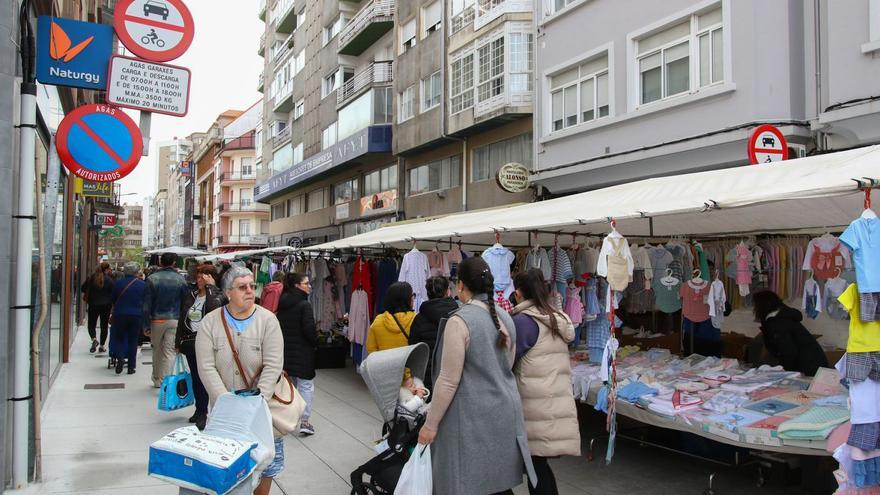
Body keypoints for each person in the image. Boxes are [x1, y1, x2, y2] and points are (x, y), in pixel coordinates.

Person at [418, 257, 535, 495]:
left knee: (468, 482)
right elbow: (507, 364)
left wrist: (430, 425)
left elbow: (449, 380)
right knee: (497, 483)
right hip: (504, 411)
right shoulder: (505, 317)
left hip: (471, 417)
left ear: (460, 285)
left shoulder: (459, 321)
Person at [196, 266, 284, 495]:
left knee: (265, 469)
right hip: (223, 414)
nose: (250, 291)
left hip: (262, 414)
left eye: (252, 286)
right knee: (227, 472)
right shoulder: (209, 322)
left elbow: (273, 364)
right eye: (242, 287)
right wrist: (226, 401)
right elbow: (205, 366)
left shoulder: (268, 321)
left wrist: (257, 401)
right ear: (227, 292)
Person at [511, 269, 580, 495]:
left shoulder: (524, 322)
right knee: (538, 465)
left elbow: (507, 361)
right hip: (551, 402)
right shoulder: (555, 318)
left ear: (519, 292)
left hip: (534, 405)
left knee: (535, 467)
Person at [175, 263, 226, 430]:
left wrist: (211, 288)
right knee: (196, 379)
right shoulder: (191, 294)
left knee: (204, 379)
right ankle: (199, 410)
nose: (199, 280)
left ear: (211, 278)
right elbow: (183, 317)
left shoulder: (218, 295)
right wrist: (178, 341)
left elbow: (213, 310)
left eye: (203, 277)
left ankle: (204, 413)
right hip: (190, 342)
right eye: (197, 276)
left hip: (207, 343)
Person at [276, 272, 318, 436]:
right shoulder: (304, 305)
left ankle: (290, 418)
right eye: (306, 283)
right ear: (297, 285)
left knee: (291, 386)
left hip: (287, 350)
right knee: (306, 385)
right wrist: (315, 342)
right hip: (303, 351)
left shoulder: (283, 302)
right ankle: (305, 421)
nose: (309, 286)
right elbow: (309, 329)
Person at [752, 290, 828, 376]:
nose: (754, 309)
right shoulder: (782, 317)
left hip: (808, 369)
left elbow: (788, 352)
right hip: (814, 366)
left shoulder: (777, 324)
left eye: (755, 306)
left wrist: (786, 373)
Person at [144, 252, 188, 388]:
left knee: (157, 349)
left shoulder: (152, 279)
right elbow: (185, 302)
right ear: (174, 263)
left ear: (160, 262)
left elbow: (146, 304)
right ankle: (165, 381)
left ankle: (156, 377)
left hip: (157, 319)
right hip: (175, 319)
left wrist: (145, 325)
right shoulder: (181, 279)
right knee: (169, 351)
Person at [408, 276, 458, 390]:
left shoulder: (419, 319)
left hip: (426, 375)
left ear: (428, 293)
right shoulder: (458, 315)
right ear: (447, 291)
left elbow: (413, 348)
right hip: (451, 373)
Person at [110, 262, 147, 375]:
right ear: (136, 272)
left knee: (119, 338)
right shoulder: (142, 285)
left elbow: (112, 299)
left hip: (120, 314)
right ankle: (131, 366)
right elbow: (146, 301)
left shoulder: (118, 284)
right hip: (136, 315)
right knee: (133, 340)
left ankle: (120, 356)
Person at [367, 282, 417, 354]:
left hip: (383, 364)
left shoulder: (378, 321)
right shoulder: (416, 320)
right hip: (407, 364)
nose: (413, 299)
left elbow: (371, 350)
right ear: (407, 299)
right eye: (412, 296)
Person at [82, 262, 115, 353]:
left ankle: (94, 339)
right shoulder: (109, 280)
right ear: (106, 269)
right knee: (104, 326)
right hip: (106, 306)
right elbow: (113, 293)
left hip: (93, 304)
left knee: (91, 325)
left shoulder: (91, 278)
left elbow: (82, 288)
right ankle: (102, 346)